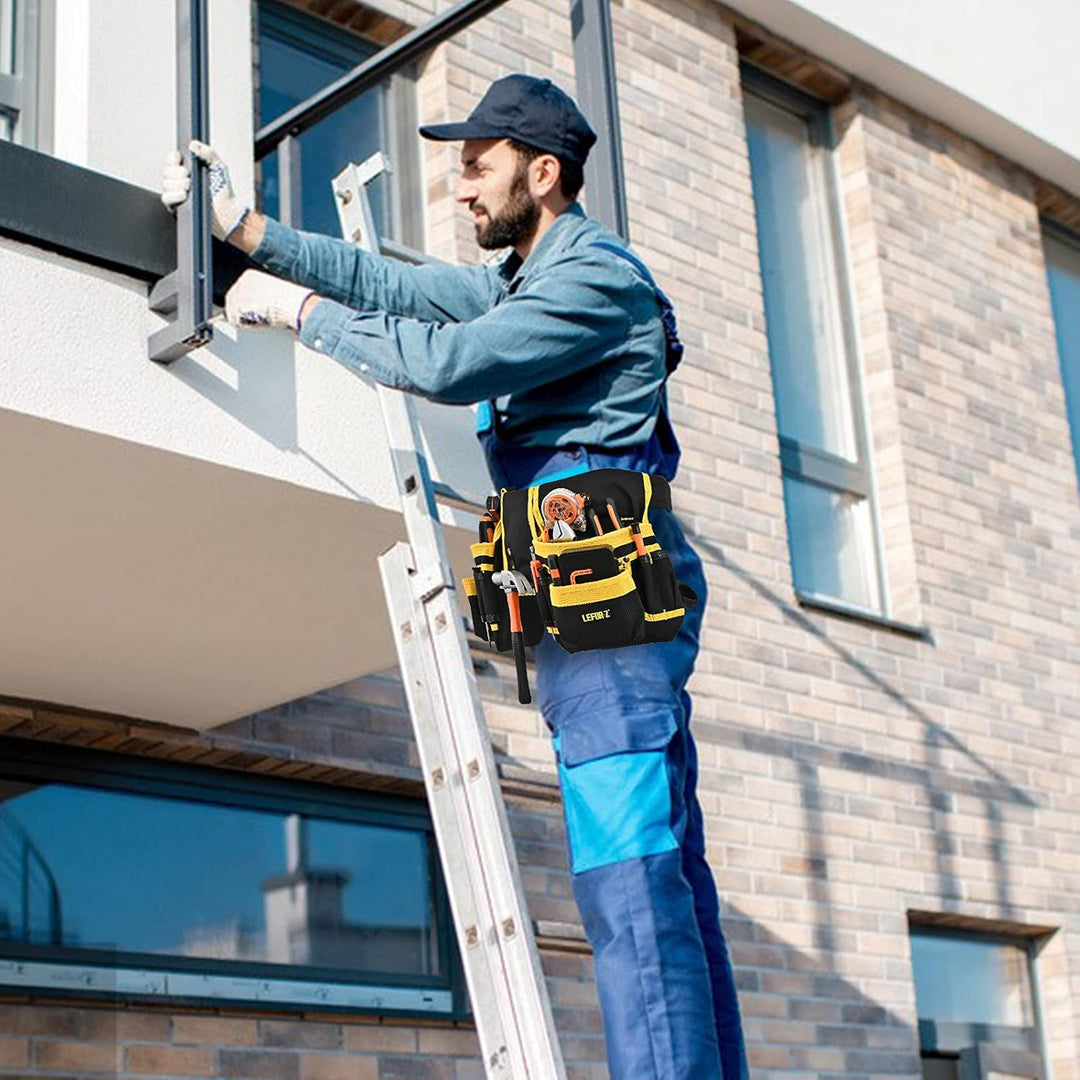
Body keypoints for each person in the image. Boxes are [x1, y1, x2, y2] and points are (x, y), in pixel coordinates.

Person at [162, 73, 748, 1080]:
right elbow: (402, 288)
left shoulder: (594, 278)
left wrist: (297, 313)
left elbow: (448, 363)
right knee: (666, 878)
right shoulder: (529, 276)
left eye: (477, 169)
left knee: (631, 882)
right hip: (582, 596)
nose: (463, 191)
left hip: (609, 607)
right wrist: (251, 231)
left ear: (544, 172)